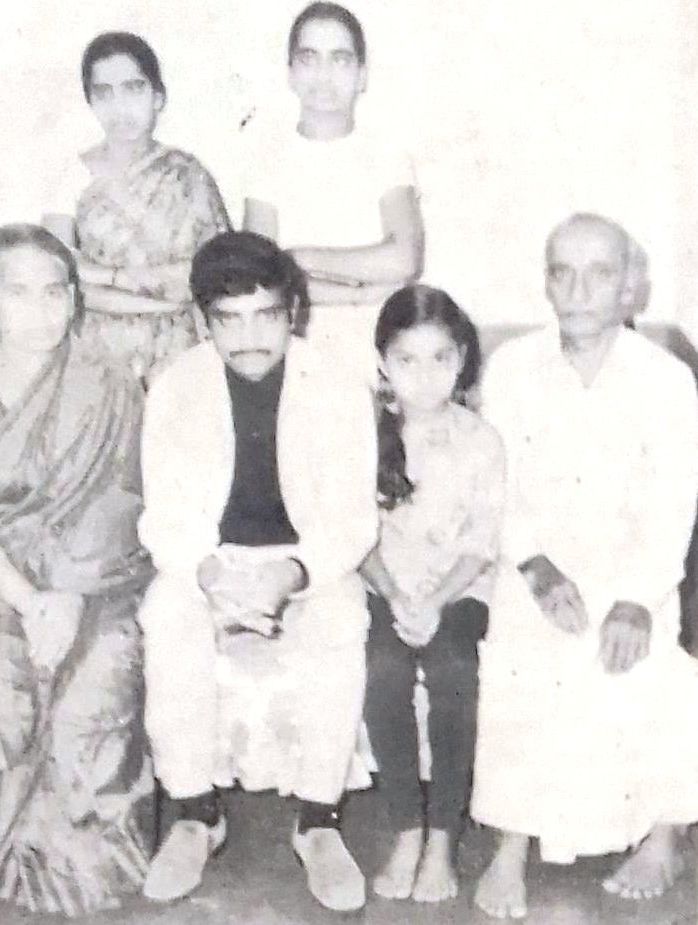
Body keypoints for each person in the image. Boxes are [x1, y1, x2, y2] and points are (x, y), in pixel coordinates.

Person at [138, 231, 378, 912]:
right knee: (166, 610)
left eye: (265, 315)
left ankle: (318, 823)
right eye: (228, 319)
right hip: (210, 563)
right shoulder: (178, 386)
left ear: (293, 311)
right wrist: (210, 573)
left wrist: (293, 576)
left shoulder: (334, 384)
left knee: (342, 614)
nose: (248, 338)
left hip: (303, 564)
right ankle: (194, 814)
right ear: (202, 319)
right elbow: (166, 517)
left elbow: (353, 521)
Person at [471, 213, 698, 919]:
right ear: (545, 282)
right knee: (520, 648)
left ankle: (662, 833)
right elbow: (495, 486)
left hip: (636, 572)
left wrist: (636, 597)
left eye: (599, 273)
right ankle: (511, 844)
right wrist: (535, 565)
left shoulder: (665, 378)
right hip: (536, 566)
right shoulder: (511, 368)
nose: (579, 289)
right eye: (562, 272)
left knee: (649, 655)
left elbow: (673, 502)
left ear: (632, 287)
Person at [0, 224, 155, 916]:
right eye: (17, 292)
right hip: (0, 571)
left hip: (98, 573)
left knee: (94, 679)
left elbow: (122, 499)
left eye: (52, 292)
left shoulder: (110, 380)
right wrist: (29, 599)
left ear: (73, 299)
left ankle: (65, 870)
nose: (38, 310)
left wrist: (65, 594)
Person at [361, 285, 504, 903]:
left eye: (441, 359)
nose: (425, 378)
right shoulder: (362, 436)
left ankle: (444, 835)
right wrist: (395, 596)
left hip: (459, 591)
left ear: (463, 359)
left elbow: (480, 542)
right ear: (383, 365)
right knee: (383, 669)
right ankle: (406, 829)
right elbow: (351, 534)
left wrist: (436, 600)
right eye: (407, 361)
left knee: (452, 667)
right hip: (382, 586)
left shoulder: (480, 440)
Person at [243, 2, 424, 384]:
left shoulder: (387, 155)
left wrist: (296, 257)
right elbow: (259, 279)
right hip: (295, 350)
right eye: (309, 59)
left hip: (377, 347)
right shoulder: (265, 160)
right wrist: (360, 291)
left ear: (362, 75)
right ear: (290, 73)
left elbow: (404, 259)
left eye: (340, 60)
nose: (324, 76)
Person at [43, 31, 230, 382]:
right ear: (91, 102)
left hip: (181, 350)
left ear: (158, 97)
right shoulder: (71, 176)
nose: (120, 107)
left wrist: (108, 277)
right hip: (96, 354)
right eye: (104, 93)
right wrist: (161, 302)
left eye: (134, 88)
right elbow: (59, 282)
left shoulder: (187, 175)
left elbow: (215, 272)